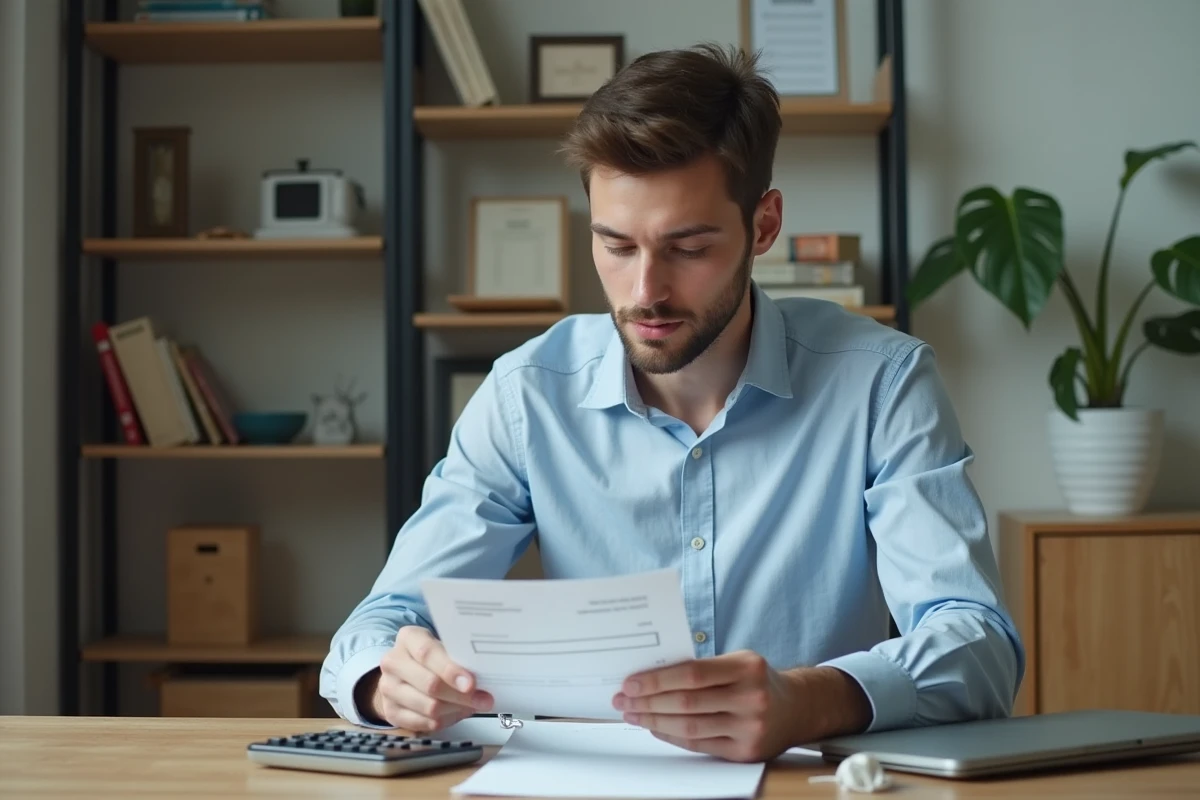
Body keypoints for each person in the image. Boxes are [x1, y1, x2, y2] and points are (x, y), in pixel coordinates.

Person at [320, 42, 1024, 764]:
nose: (644, 291)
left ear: (763, 225)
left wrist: (807, 700)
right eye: (616, 246)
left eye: (687, 248)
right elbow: (378, 625)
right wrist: (387, 681)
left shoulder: (882, 383)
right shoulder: (526, 394)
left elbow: (979, 644)